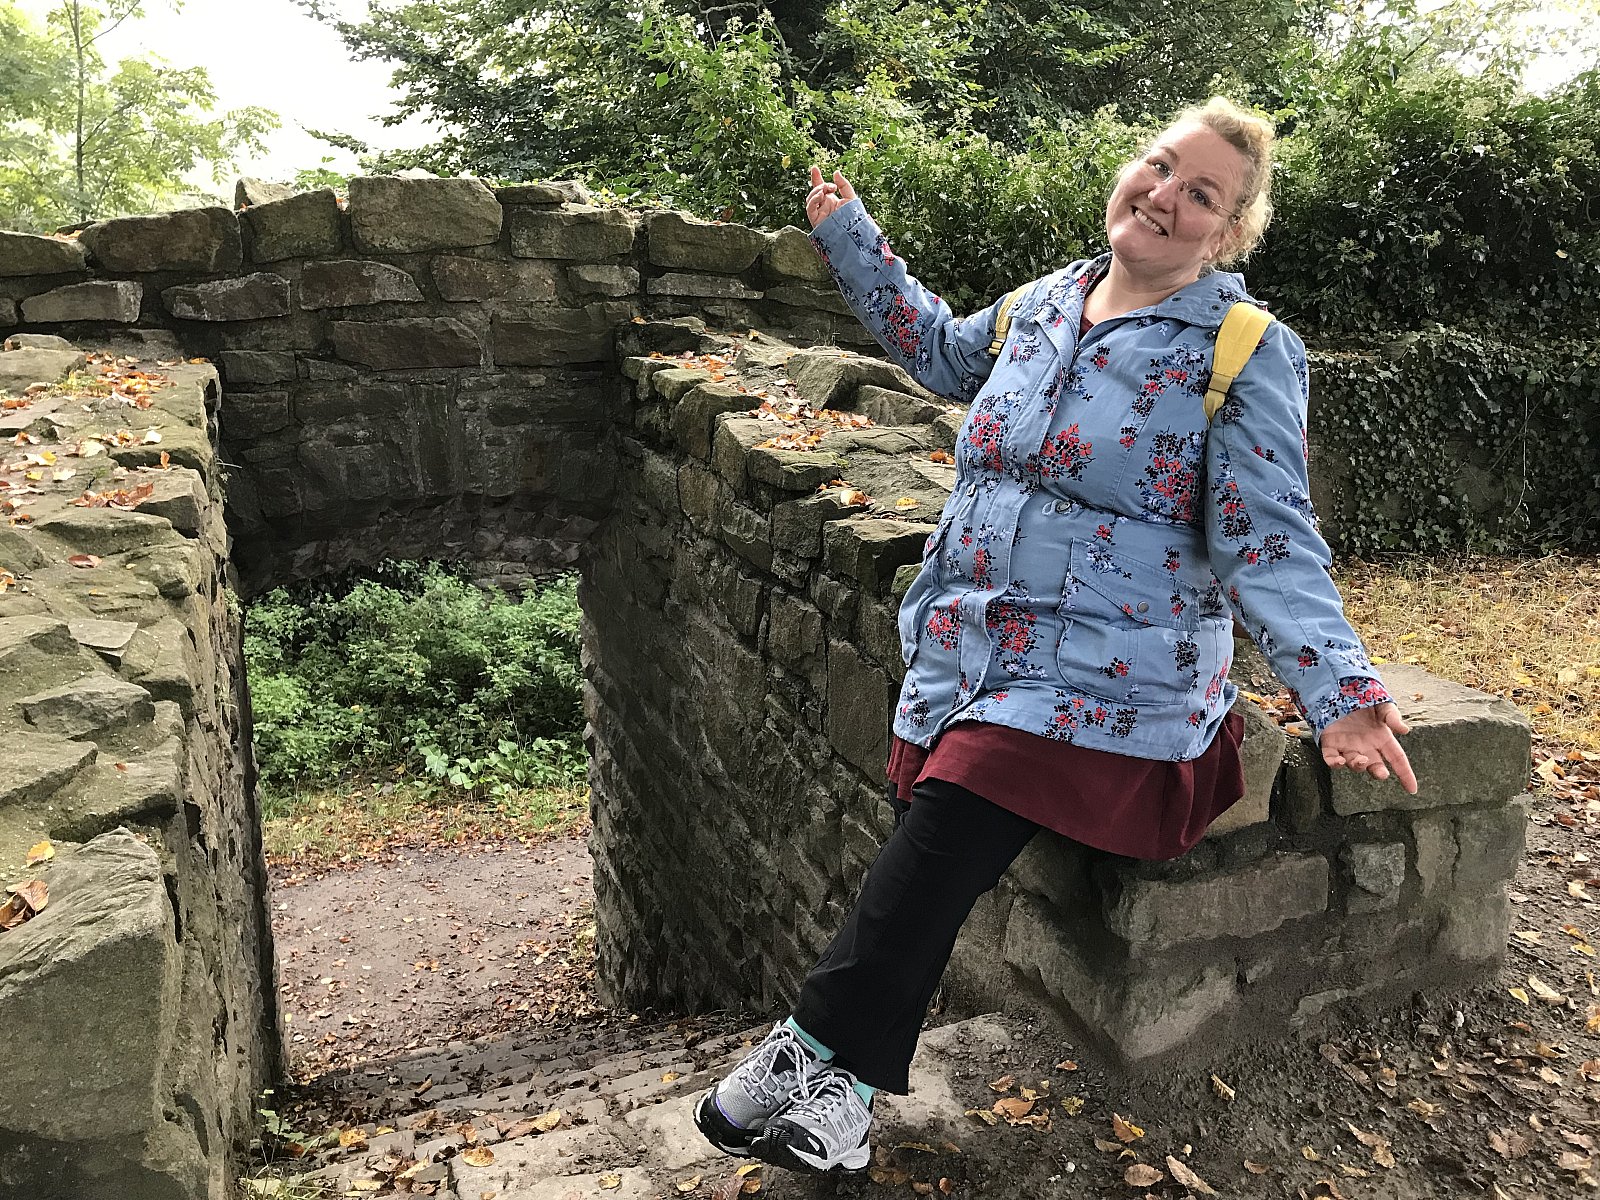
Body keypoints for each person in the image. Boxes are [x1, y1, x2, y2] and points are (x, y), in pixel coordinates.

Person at [693, 96, 1418, 1175]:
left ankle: (810, 1052)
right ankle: (842, 1091)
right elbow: (940, 353)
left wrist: (1341, 692)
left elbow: (1268, 537)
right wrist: (851, 238)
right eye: (1160, 166)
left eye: (1201, 194)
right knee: (934, 851)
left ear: (1227, 235)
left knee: (951, 816)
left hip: (1119, 679)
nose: (1165, 196)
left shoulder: (1245, 351)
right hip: (972, 647)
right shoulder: (1044, 303)